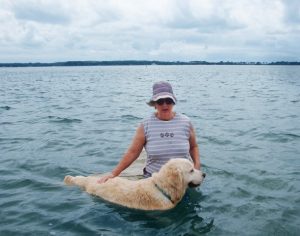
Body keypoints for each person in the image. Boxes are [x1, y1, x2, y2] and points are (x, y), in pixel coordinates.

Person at [98, 81, 201, 183]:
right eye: (160, 101)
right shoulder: (146, 124)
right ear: (154, 104)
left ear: (173, 102)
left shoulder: (186, 122)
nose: (165, 105)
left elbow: (193, 147)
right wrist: (114, 174)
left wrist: (196, 168)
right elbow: (133, 152)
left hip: (183, 180)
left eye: (168, 101)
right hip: (154, 180)